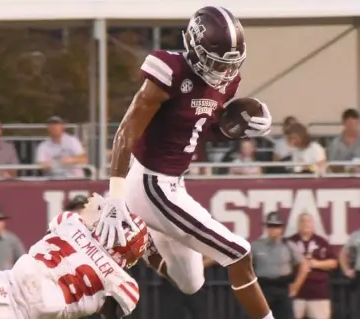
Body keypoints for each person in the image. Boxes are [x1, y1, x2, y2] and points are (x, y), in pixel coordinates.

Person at [95, 6, 275, 319]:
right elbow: (128, 128)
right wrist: (115, 193)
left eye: (228, 64)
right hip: (152, 183)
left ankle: (140, 240)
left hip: (172, 185)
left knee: (190, 281)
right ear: (193, 47)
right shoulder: (171, 69)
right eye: (214, 61)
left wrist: (238, 131)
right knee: (239, 253)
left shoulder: (227, 81)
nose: (221, 71)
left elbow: (199, 128)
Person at [0, 195, 148, 319]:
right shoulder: (123, 284)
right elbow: (109, 313)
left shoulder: (70, 222)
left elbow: (55, 238)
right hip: (17, 314)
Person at [251, 212, 309, 319]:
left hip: (282, 289)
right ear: (266, 228)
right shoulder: (256, 246)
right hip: (263, 289)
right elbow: (245, 265)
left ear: (281, 228)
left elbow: (304, 265)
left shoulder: (288, 245)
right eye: (270, 226)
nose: (273, 229)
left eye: (276, 226)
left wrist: (296, 286)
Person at [287, 213, 337, 319]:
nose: (305, 224)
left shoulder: (322, 242)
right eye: (302, 221)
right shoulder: (290, 242)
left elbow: (333, 263)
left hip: (318, 293)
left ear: (313, 224)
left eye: (308, 221)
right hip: (296, 293)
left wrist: (316, 263)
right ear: (297, 224)